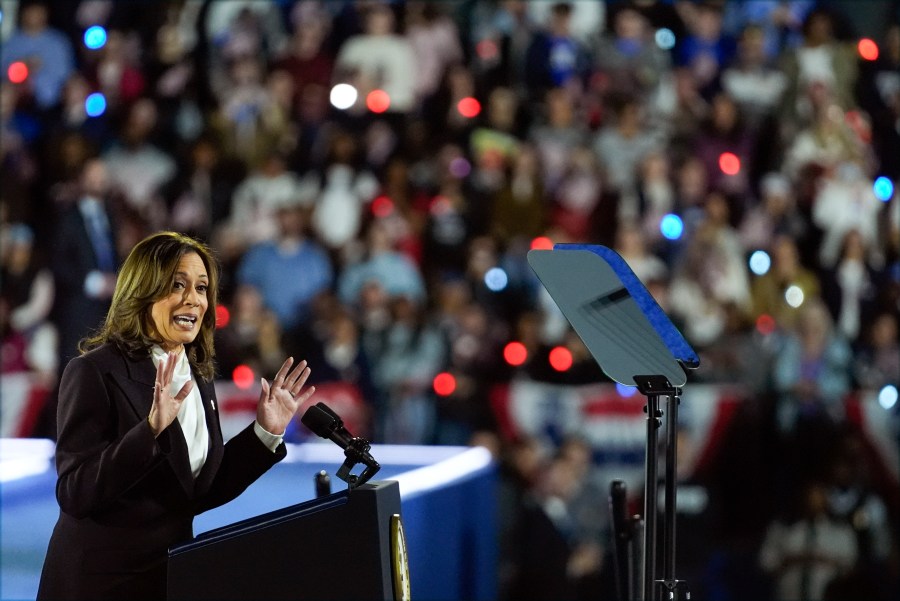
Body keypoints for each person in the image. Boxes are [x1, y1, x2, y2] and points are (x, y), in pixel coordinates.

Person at [37, 231, 315, 601]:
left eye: (202, 288)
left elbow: (198, 491)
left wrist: (265, 432)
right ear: (143, 291)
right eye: (177, 285)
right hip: (99, 584)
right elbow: (75, 493)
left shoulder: (197, 374)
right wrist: (149, 430)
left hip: (170, 581)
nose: (194, 299)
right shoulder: (94, 371)